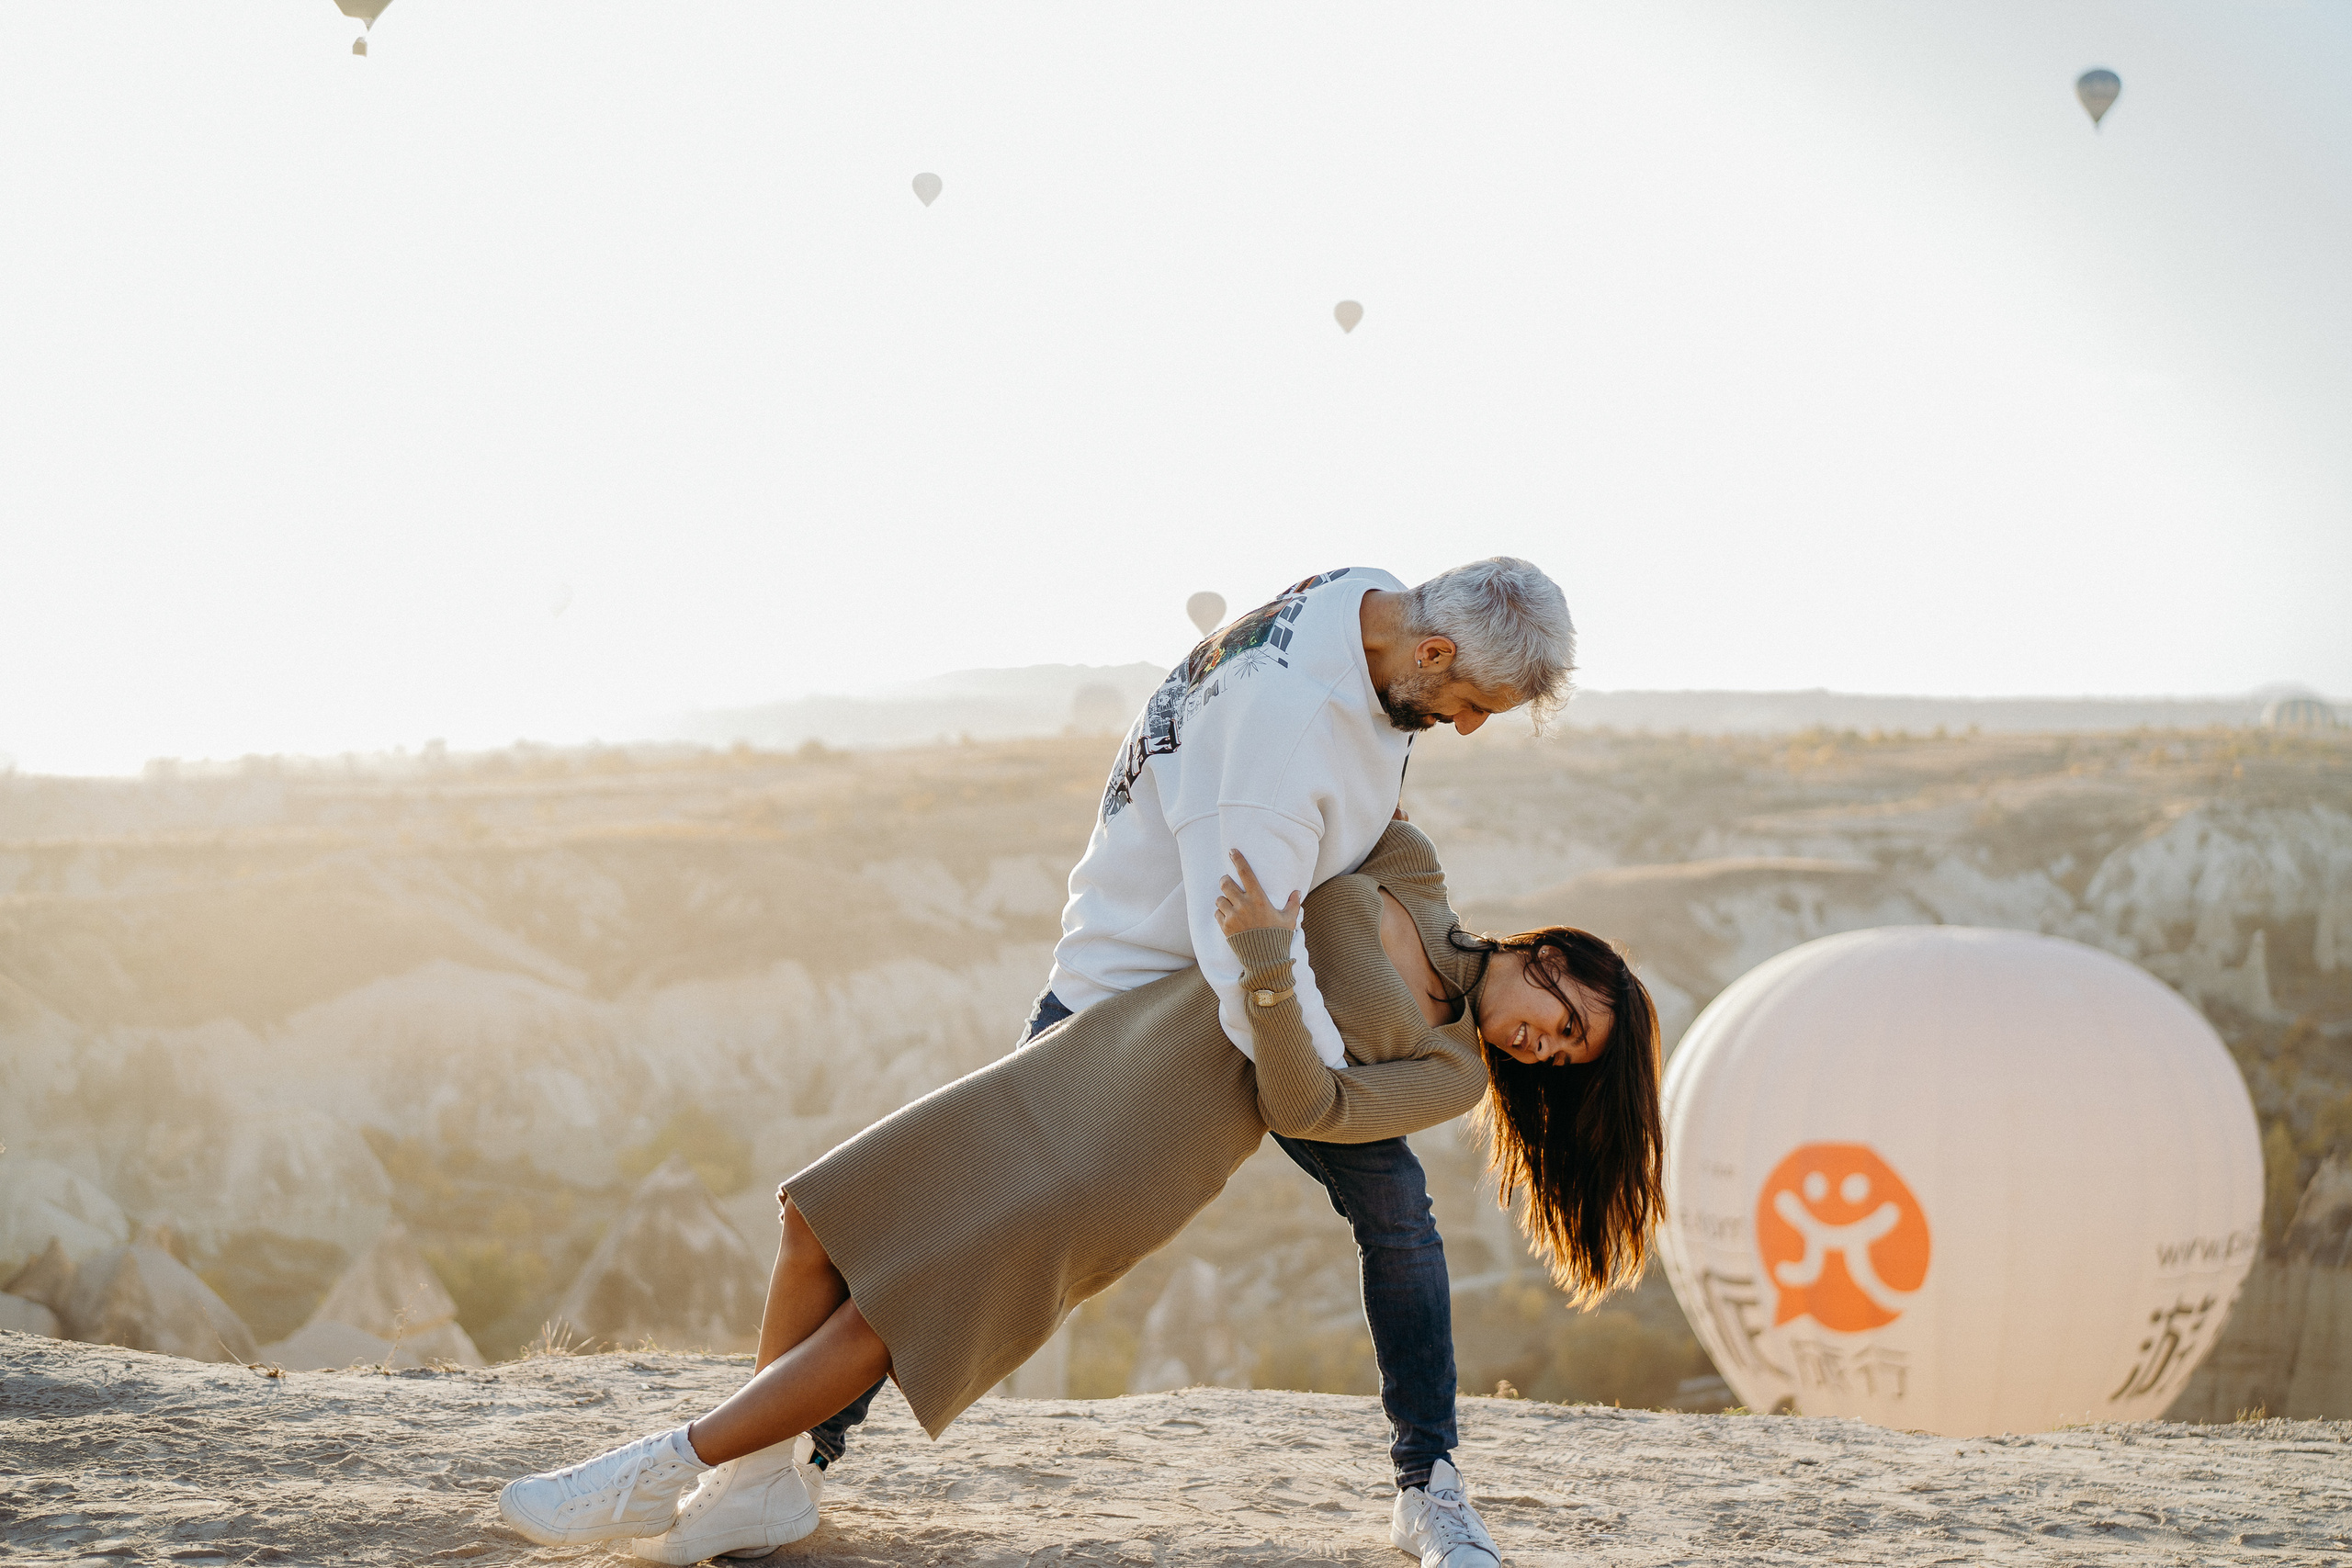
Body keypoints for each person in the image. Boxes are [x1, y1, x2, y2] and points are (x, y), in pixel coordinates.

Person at [496, 821, 1665, 1568]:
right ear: (1553, 958)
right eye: (1563, 1023)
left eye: (1565, 1056)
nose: (1544, 1047)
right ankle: (762, 1483)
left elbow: (1303, 1101)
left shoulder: (1453, 1071)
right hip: (1107, 1045)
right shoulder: (1410, 866)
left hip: (1154, 1134)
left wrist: (1266, 957)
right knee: (824, 1215)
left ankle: (669, 1464)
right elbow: (1313, 780)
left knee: (907, 1304)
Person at [808, 558, 1580, 1564]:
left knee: (1396, 1213)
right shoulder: (1285, 724)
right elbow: (1236, 945)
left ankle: (1427, 1481)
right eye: (1469, 704)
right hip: (1146, 986)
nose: (1466, 728)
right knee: (983, 1218)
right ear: (1432, 650)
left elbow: (1340, 828)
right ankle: (801, 1451)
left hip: (1256, 976)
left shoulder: (1360, 600)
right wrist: (1314, 1078)